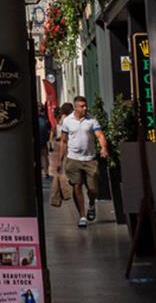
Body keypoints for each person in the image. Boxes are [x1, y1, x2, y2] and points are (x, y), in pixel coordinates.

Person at [57, 95, 107, 227]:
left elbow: (100, 135)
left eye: (86, 106)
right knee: (77, 186)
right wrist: (60, 160)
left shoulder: (92, 120)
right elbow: (63, 141)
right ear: (76, 107)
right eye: (82, 106)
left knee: (93, 189)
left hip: (90, 159)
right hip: (73, 159)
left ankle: (91, 203)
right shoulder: (67, 121)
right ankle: (82, 216)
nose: (85, 108)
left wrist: (103, 148)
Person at [47, 101, 72, 211]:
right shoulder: (68, 119)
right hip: (68, 146)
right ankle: (67, 189)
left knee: (65, 169)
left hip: (65, 145)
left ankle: (67, 187)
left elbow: (57, 130)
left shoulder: (63, 119)